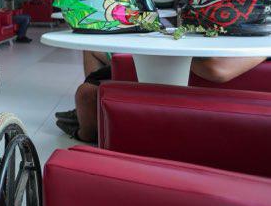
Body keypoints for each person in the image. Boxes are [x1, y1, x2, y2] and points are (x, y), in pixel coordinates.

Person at [57, 55, 267, 143]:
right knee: (92, 82)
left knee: (86, 93)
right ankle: (87, 115)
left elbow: (217, 70)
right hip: (177, 77)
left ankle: (84, 129)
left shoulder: (261, 40)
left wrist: (168, 48)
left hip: (178, 82)